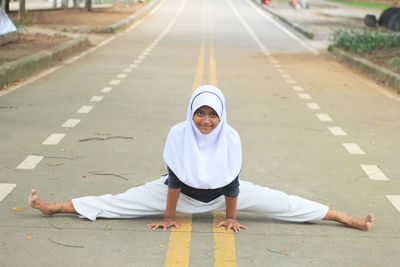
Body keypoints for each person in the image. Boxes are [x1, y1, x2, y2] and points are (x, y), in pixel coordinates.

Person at [29, 85, 373, 232]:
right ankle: (52, 206)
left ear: (222, 115)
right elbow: (176, 179)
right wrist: (168, 216)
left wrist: (230, 217)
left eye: (212, 114)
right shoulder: (179, 133)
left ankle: (345, 217)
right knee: (116, 203)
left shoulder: (231, 137)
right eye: (200, 113)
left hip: (225, 197)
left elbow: (233, 182)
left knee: (284, 203)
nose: (206, 121)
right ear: (190, 112)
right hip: (178, 196)